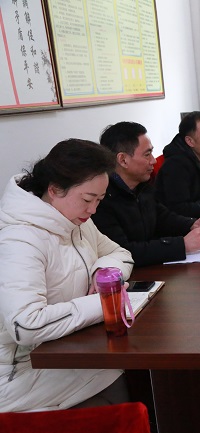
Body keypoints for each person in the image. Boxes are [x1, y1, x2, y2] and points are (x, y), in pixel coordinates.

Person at [0, 139, 135, 412]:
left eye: (99, 200)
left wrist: (103, 273)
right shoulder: (20, 240)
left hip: (59, 347)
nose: (93, 210)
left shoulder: (76, 221)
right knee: (116, 373)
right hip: (16, 371)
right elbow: (26, 326)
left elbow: (120, 253)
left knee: (128, 369)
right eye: (87, 199)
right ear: (54, 190)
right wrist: (105, 302)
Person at [93, 122, 200, 267]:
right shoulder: (100, 199)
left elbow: (161, 216)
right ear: (123, 160)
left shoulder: (143, 186)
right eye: (147, 154)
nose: (153, 160)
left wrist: (190, 224)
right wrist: (182, 245)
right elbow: (124, 251)